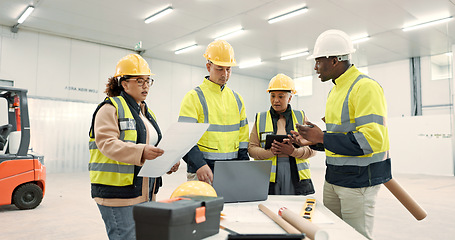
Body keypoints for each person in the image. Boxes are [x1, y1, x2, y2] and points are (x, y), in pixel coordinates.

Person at [290, 29, 392, 239]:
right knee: (333, 233)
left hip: (359, 182)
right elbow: (338, 137)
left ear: (335, 60)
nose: (315, 67)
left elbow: (371, 140)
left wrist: (322, 137)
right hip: (334, 178)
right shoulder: (335, 91)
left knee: (356, 236)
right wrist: (312, 140)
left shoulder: (365, 87)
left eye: (318, 61)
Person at [88, 53, 180, 240]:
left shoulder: (145, 112)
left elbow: (152, 146)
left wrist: (167, 162)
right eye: (140, 81)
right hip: (118, 194)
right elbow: (107, 143)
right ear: (124, 83)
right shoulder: (110, 108)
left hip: (144, 192)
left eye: (148, 81)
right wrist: (142, 152)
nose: (145, 85)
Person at [178, 39, 249, 184]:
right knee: (202, 207)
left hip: (231, 170)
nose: (225, 74)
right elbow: (184, 138)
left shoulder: (237, 99)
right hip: (202, 171)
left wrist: (243, 165)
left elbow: (242, 137)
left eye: (228, 69)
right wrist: (199, 164)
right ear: (208, 67)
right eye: (219, 68)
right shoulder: (194, 97)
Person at [248, 73, 316, 195]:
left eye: (281, 96)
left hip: (295, 174)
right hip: (268, 176)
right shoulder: (261, 118)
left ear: (289, 98)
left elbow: (313, 148)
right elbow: (251, 149)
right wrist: (270, 152)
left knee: (293, 207)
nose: (276, 100)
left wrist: (293, 152)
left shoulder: (300, 116)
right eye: (272, 96)